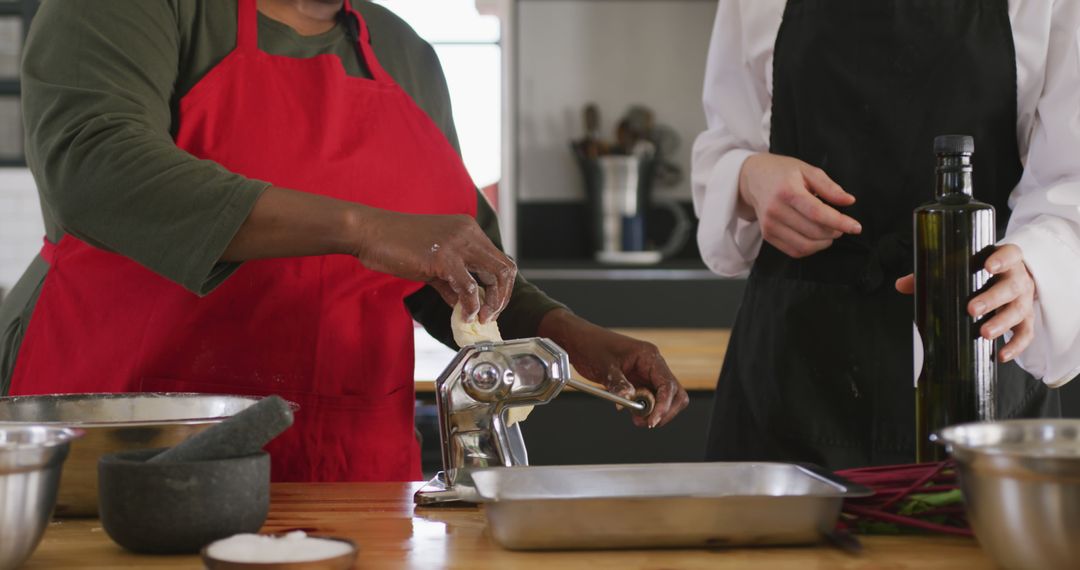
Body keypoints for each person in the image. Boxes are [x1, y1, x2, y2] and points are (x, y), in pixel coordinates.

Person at [0, 0, 689, 482]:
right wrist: (363, 229)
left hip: (346, 464)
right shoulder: (143, 10)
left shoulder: (404, 54)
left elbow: (457, 264)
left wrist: (568, 339)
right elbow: (95, 168)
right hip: (131, 443)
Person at [692, 0, 1080, 469]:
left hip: (974, 375)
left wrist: (1034, 266)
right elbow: (724, 142)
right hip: (790, 382)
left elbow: (1071, 185)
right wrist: (748, 176)